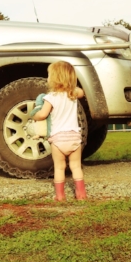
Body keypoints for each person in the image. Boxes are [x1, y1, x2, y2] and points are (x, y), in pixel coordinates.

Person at [31, 61, 88, 201]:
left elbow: (43, 115)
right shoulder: (73, 94)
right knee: (75, 167)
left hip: (58, 139)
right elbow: (82, 92)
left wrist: (35, 115)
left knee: (59, 168)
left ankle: (60, 196)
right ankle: (81, 195)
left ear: (53, 78)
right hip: (74, 137)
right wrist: (71, 85)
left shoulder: (50, 98)